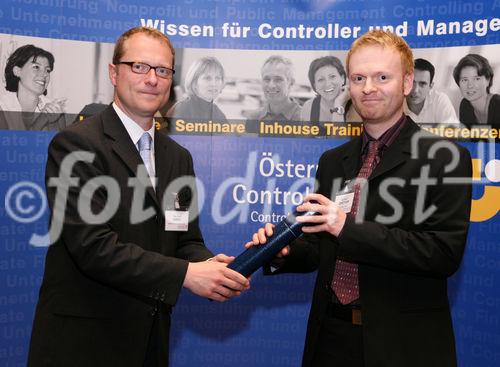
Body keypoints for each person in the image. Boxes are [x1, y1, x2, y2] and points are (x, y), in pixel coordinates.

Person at [27, 27, 249, 367]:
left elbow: (184, 239)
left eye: (162, 70)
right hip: (84, 344)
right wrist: (188, 275)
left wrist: (212, 266)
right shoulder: (77, 145)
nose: (152, 79)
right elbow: (94, 247)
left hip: (150, 341)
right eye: (139, 67)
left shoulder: (178, 157)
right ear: (114, 73)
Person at [248, 30, 472, 367]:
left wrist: (345, 227)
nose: (368, 87)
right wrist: (285, 253)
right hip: (331, 340)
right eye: (358, 77)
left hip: (403, 344)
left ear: (407, 83)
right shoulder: (333, 161)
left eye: (382, 77)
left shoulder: (445, 158)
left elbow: (442, 254)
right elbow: (319, 249)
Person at [0, 44, 69, 130]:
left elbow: (59, 142)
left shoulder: (56, 109)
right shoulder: (3, 106)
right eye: (36, 67)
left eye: (47, 70)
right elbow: (14, 143)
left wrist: (53, 123)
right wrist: (41, 120)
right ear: (17, 71)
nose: (44, 74)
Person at [168, 56, 227, 122]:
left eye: (218, 78)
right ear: (194, 82)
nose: (214, 84)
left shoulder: (218, 114)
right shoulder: (182, 109)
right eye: (207, 78)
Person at [246, 55, 301, 121]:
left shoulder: (305, 118)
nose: (271, 85)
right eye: (267, 79)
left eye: (278, 79)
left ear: (291, 83)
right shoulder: (253, 118)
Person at [405, 58, 459, 124]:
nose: (415, 90)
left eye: (422, 84)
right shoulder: (394, 103)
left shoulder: (439, 100)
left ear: (430, 86)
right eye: (412, 82)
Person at [453, 53, 500, 128]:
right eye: (464, 80)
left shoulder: (497, 104)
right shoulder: (465, 104)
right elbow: (468, 137)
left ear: (488, 80)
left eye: (476, 79)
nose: (470, 85)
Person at [300, 56, 350, 122]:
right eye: (321, 80)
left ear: (342, 78)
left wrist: (338, 103)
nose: (327, 84)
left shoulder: (356, 106)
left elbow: (339, 132)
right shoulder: (308, 107)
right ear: (315, 86)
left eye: (332, 76)